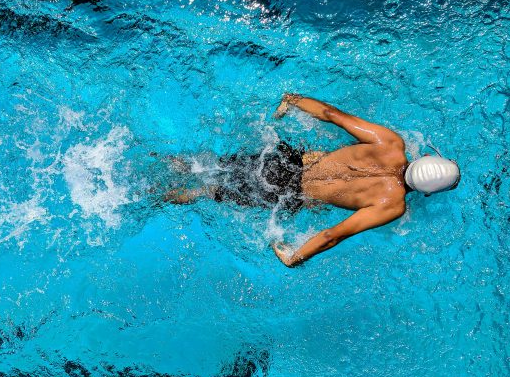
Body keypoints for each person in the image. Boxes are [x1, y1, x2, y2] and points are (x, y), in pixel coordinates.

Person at [164, 94, 460, 267]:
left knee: (204, 166)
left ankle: (165, 161)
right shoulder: (392, 205)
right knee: (208, 191)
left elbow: (332, 115)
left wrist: (293, 100)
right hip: (288, 194)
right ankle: (156, 196)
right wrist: (295, 257)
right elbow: (334, 235)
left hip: (286, 160)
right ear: (427, 193)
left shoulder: (391, 143)